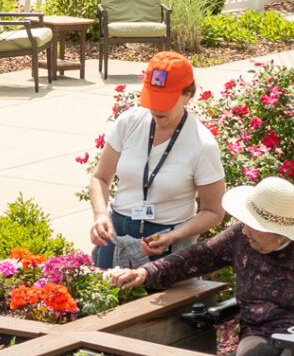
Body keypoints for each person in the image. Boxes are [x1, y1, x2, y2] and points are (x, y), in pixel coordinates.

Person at [105, 177, 294, 356]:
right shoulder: (241, 237)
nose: (246, 229)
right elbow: (197, 256)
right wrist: (146, 273)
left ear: (279, 234)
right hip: (259, 332)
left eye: (255, 226)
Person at [87, 51, 227, 263]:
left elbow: (214, 211)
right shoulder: (129, 121)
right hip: (116, 231)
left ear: (187, 95)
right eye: (152, 99)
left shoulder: (202, 144)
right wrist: (100, 216)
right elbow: (100, 178)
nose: (157, 108)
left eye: (166, 101)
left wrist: (173, 236)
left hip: (165, 239)